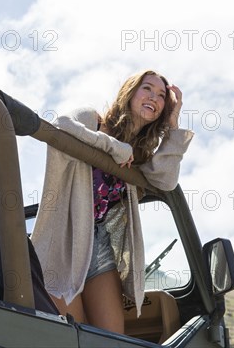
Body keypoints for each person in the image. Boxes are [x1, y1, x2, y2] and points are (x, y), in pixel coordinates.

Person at [31, 70, 194, 334]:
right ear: (130, 93)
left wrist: (173, 124)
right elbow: (60, 126)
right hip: (63, 240)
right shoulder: (92, 120)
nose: (154, 97)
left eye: (162, 96)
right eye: (147, 88)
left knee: (114, 338)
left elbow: (165, 181)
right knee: (77, 335)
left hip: (100, 245)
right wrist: (115, 148)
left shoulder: (139, 158)